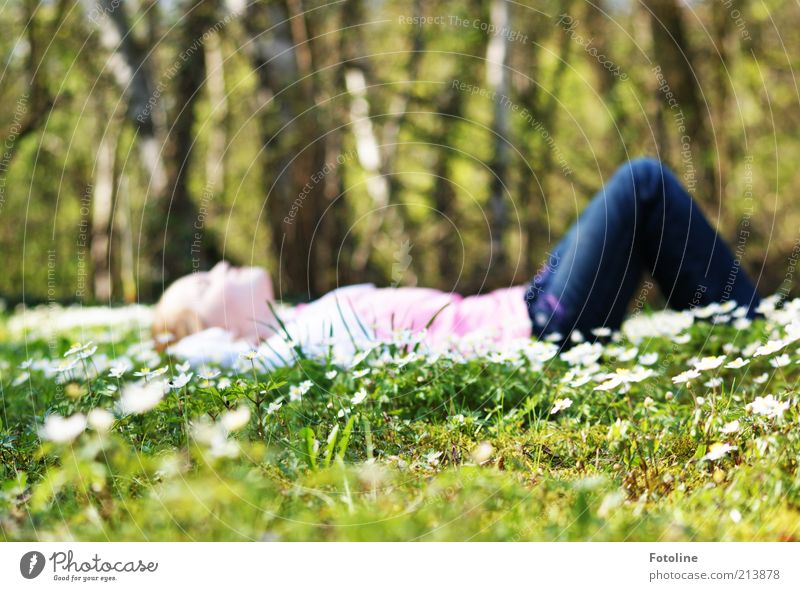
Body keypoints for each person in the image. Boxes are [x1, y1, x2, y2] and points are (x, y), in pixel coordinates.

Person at [153, 158, 760, 365]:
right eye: (204, 283)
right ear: (212, 332)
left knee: (642, 197)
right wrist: (177, 351)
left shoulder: (302, 323)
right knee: (642, 184)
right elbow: (195, 366)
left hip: (529, 306)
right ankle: (759, 341)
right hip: (538, 330)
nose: (222, 268)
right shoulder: (282, 354)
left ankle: (751, 339)